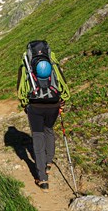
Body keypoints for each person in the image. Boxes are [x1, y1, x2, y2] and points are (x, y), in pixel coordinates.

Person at [16, 41, 70, 191]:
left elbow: (21, 88)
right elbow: (62, 83)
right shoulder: (52, 61)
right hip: (53, 104)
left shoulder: (26, 64)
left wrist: (25, 105)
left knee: (38, 137)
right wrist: (61, 101)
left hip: (35, 106)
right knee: (49, 130)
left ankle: (42, 179)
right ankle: (48, 162)